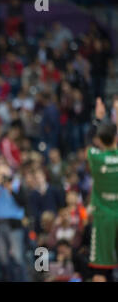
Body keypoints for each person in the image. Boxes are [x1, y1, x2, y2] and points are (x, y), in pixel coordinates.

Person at [86, 98, 118, 281]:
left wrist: (97, 120)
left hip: (103, 218)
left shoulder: (95, 157)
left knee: (100, 269)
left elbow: (88, 146)